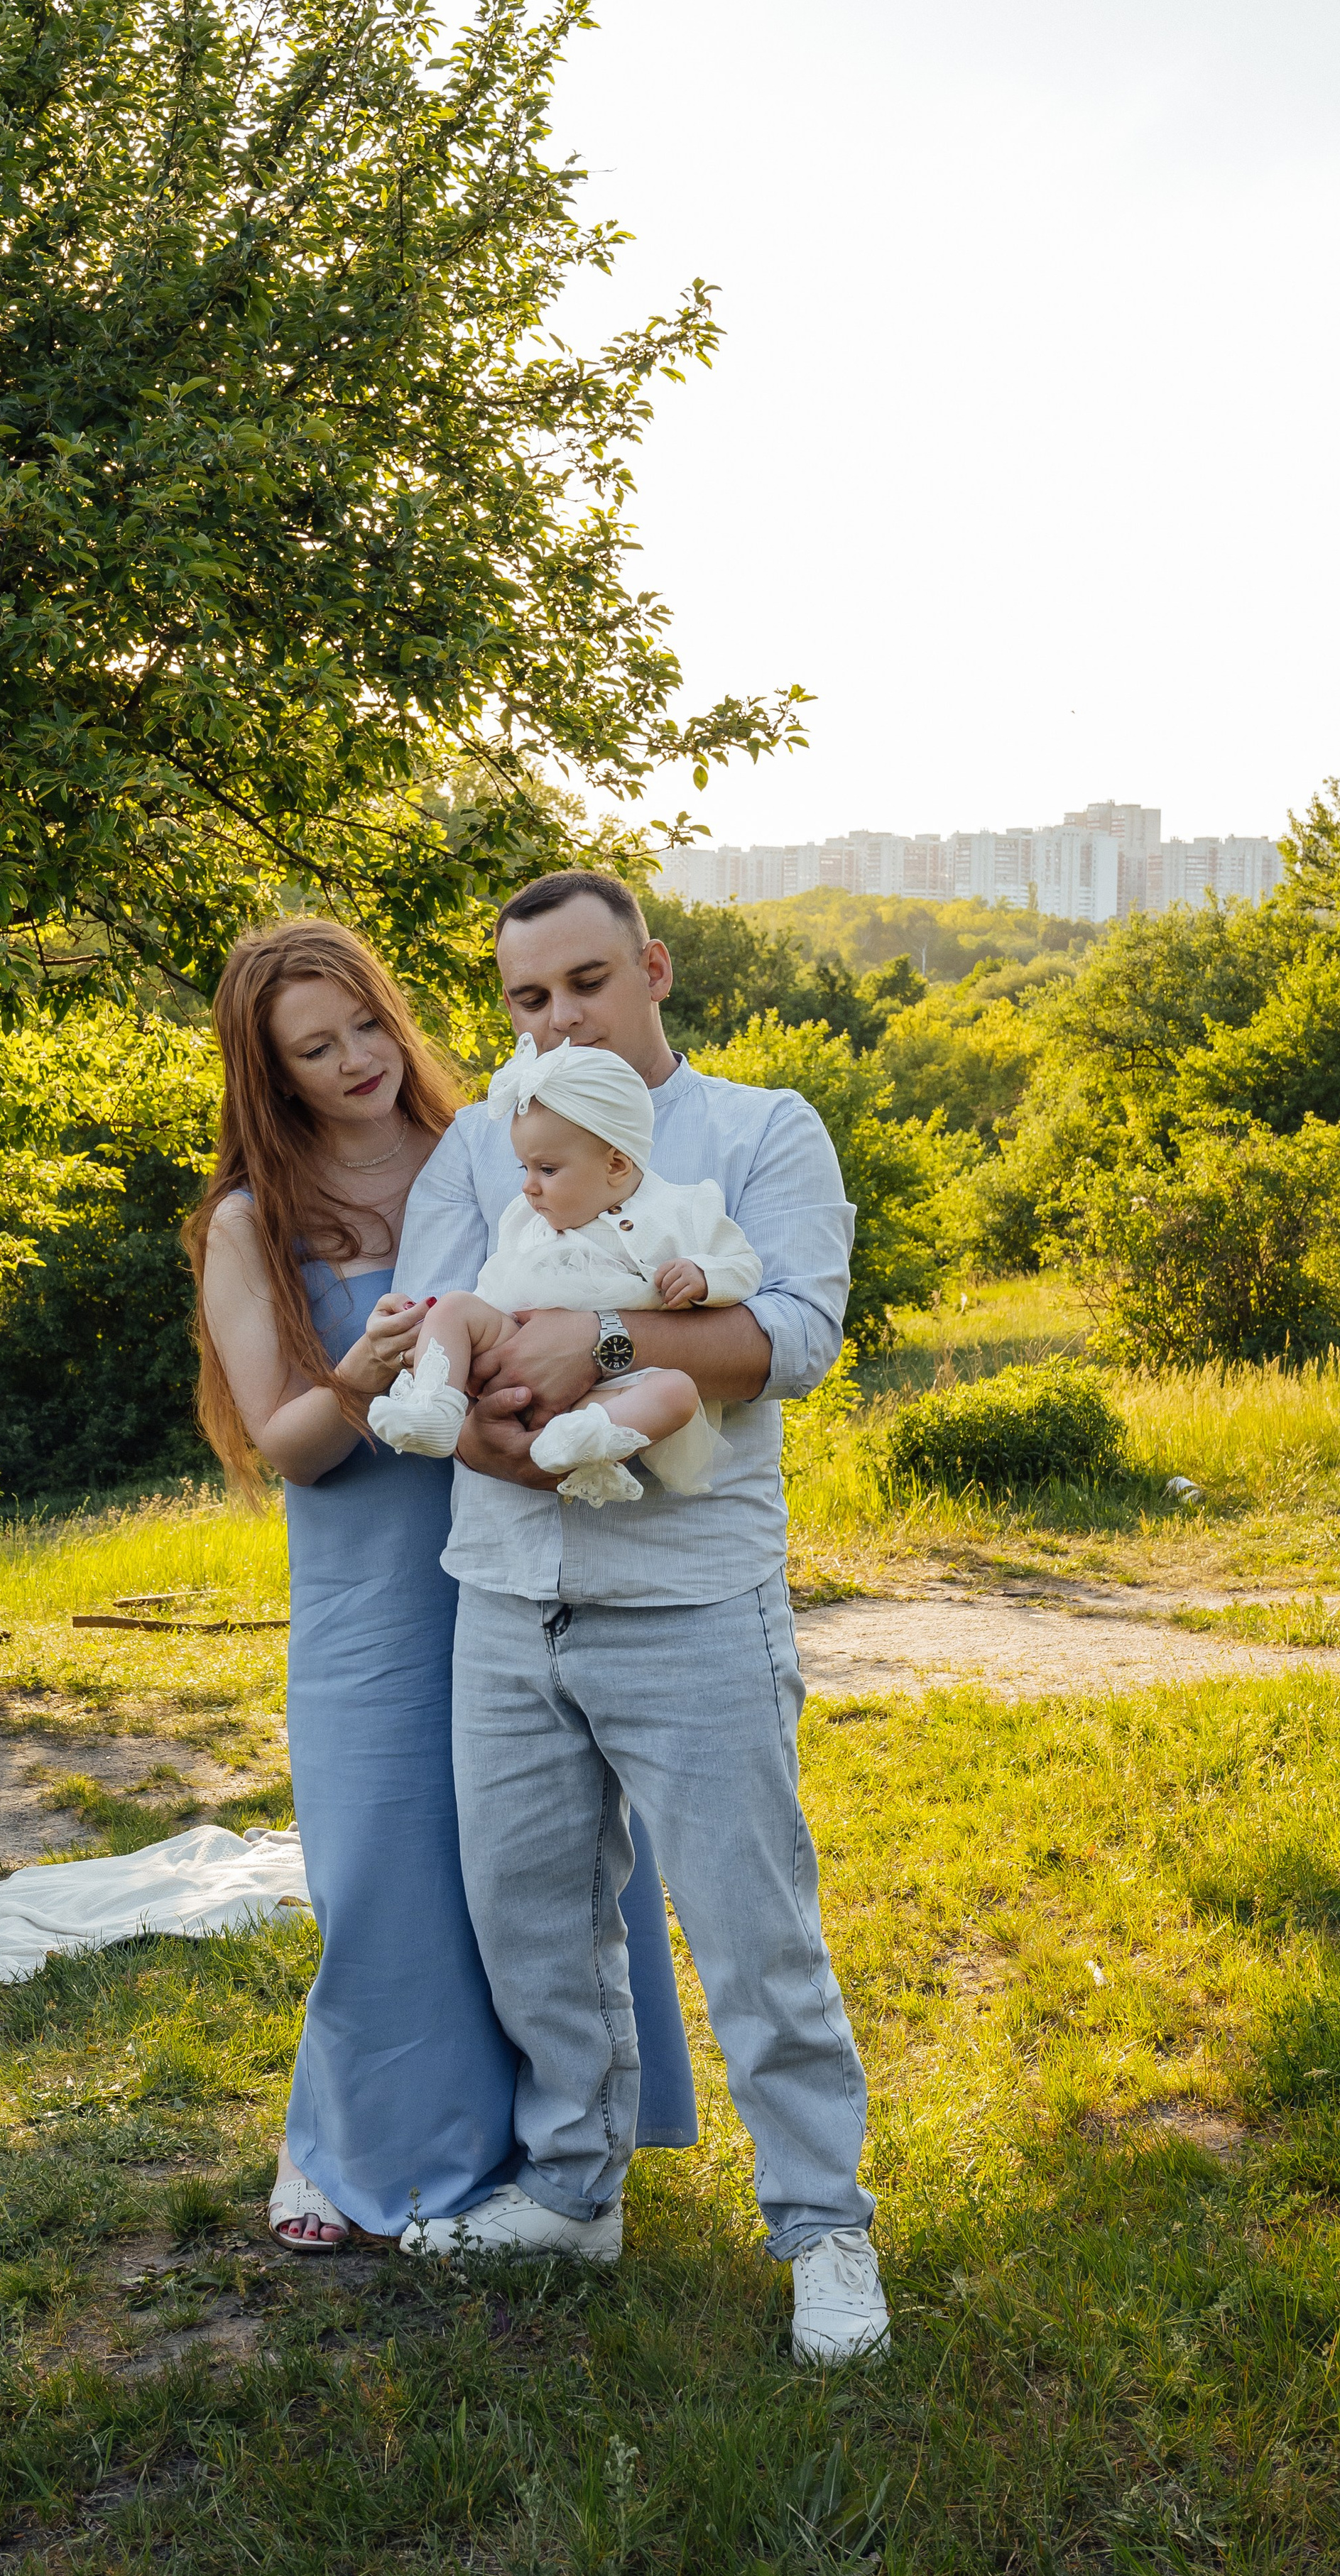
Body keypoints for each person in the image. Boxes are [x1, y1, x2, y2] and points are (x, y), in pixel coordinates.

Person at [392, 871, 890, 2362]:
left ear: (653, 969)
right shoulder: (487, 1141)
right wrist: (487, 1420)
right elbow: (432, 1322)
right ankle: (570, 2189)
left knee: (754, 1931)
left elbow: (793, 1333)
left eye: (585, 983)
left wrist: (600, 1336)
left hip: (687, 1597)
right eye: (527, 999)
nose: (557, 1019)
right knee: (529, 1919)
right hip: (501, 1589)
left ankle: (821, 2226)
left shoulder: (755, 1129)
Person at [184, 917, 697, 2252]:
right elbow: (290, 1449)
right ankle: (359, 2148)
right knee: (383, 1873)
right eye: (315, 1047)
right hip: (368, 1589)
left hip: (519, 1553)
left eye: (366, 1024)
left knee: (540, 1868)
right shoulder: (251, 1223)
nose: (356, 1060)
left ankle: (560, 2154)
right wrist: (357, 1377)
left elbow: (599, 1281)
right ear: (270, 1071)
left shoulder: (488, 1146)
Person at [369, 1032, 760, 1504]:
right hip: (515, 1349)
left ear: (616, 1163)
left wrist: (703, 1277)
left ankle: (582, 1440)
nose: (530, 1188)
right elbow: (495, 1288)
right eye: (524, 1169)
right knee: (452, 1308)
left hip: (616, 1385)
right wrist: (457, 1339)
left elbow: (743, 1266)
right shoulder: (526, 1216)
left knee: (677, 1392)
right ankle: (435, 1405)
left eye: (547, 1170)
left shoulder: (685, 1208)